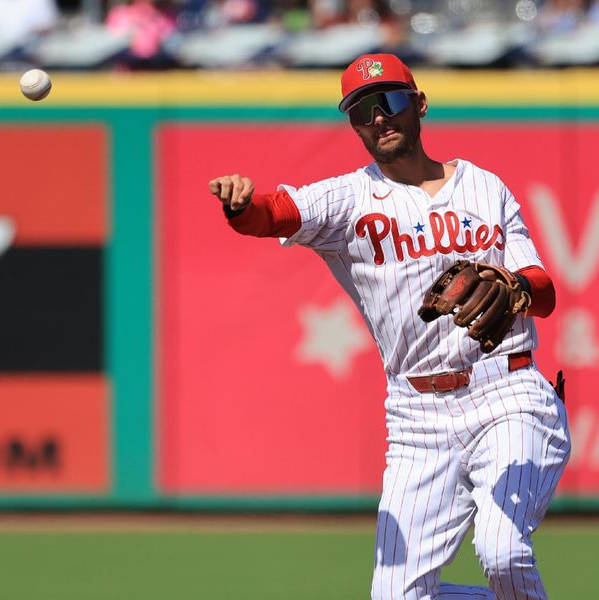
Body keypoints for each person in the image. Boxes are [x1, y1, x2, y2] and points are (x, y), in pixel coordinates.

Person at [208, 54, 571, 600]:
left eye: (391, 102)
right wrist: (240, 205)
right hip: (417, 416)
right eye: (362, 111)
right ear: (353, 125)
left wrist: (517, 288)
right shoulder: (350, 198)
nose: (379, 118)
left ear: (418, 104)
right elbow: (273, 214)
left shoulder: (484, 187)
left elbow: (542, 292)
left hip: (508, 392)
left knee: (502, 550)